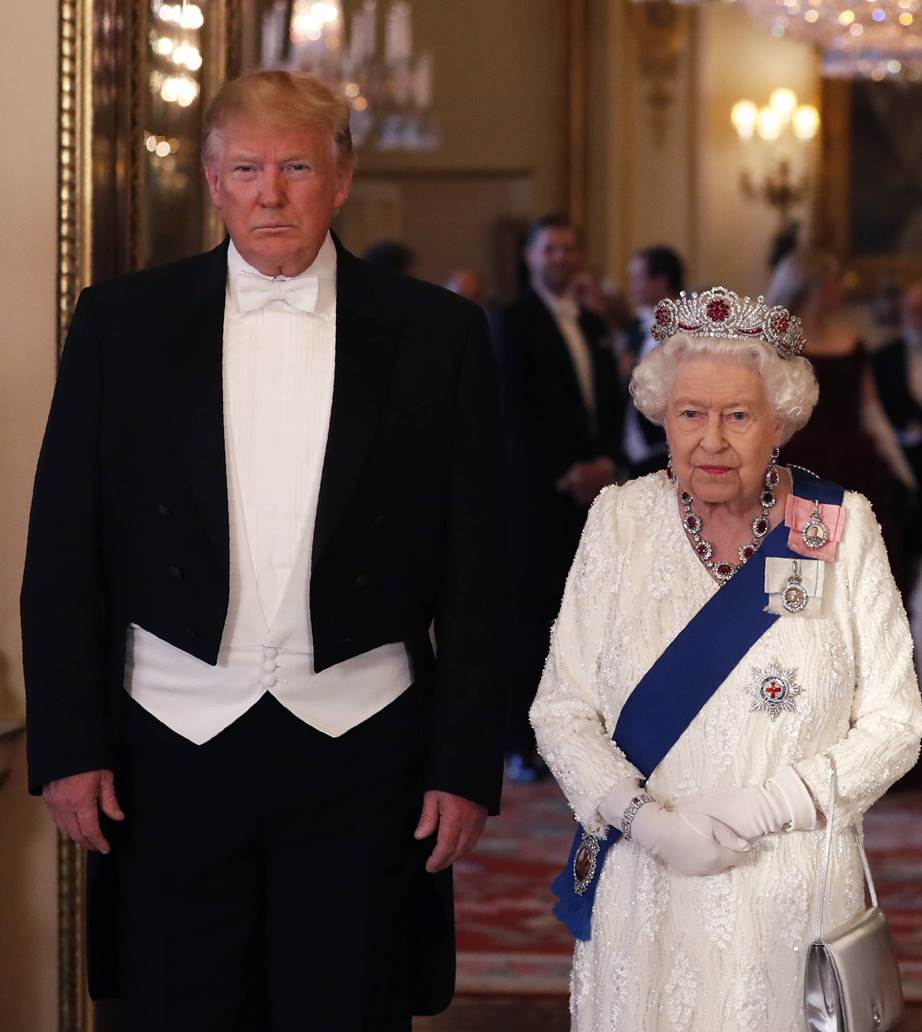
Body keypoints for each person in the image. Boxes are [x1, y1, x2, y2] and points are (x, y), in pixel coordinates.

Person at [21, 71, 505, 1032]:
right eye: (246, 169)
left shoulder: (435, 334)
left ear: (342, 177)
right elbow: (63, 550)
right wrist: (68, 748)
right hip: (169, 741)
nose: (270, 193)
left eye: (294, 167)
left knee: (350, 1010)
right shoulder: (121, 324)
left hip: (364, 745)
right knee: (177, 1009)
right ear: (212, 180)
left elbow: (482, 567)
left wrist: (465, 763)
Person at [530, 286, 922, 1030]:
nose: (711, 440)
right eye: (690, 414)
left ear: (779, 423)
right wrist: (644, 821)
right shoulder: (618, 522)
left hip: (792, 885)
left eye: (737, 416)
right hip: (647, 883)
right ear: (661, 418)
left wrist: (765, 807)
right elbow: (561, 709)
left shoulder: (839, 526)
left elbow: (898, 721)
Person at [492, 214, 622, 782]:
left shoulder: (593, 323)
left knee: (586, 618)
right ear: (531, 256)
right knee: (531, 616)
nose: (561, 258)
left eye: (570, 248)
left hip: (591, 493)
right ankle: (522, 741)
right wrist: (564, 471)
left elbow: (611, 402)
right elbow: (511, 410)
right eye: (551, 249)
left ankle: (580, 740)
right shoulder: (511, 322)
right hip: (537, 494)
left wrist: (605, 462)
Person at [767, 248, 916, 591]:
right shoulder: (777, 345)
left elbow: (870, 412)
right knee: (800, 576)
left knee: (861, 574)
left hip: (855, 467)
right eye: (836, 279)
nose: (842, 288)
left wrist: (901, 470)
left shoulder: (852, 341)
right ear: (813, 283)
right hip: (798, 465)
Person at [620, 245, 685, 477]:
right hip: (633, 448)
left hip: (667, 445)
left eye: (637, 278)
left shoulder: (687, 328)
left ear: (661, 281)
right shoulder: (636, 327)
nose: (631, 287)